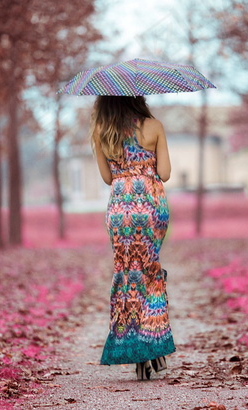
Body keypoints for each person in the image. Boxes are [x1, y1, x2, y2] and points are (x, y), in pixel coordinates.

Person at [91, 95, 175, 380]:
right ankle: (153, 344)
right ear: (137, 97)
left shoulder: (102, 132)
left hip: (119, 212)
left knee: (128, 274)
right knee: (149, 272)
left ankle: (134, 345)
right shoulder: (154, 126)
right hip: (150, 208)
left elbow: (107, 178)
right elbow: (164, 172)